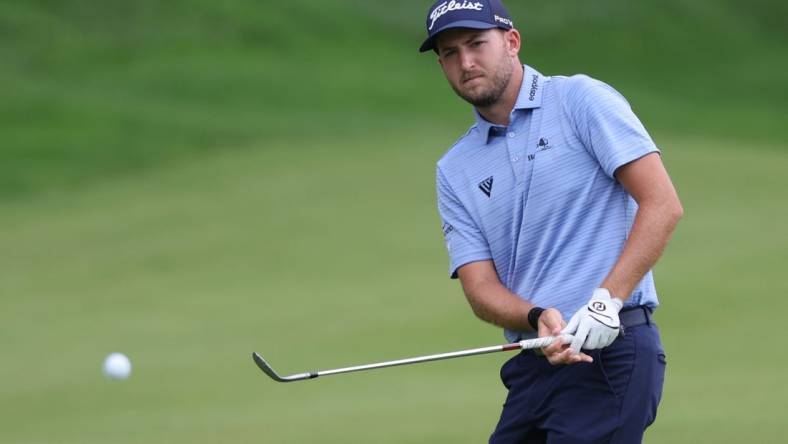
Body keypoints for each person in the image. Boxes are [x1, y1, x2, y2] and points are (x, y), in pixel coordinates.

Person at [419, 1, 684, 443]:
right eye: (449, 53)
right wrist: (537, 315)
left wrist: (606, 302)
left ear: (512, 41)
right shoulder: (454, 168)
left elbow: (661, 203)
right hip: (534, 363)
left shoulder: (580, 100)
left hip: (609, 354)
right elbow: (479, 288)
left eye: (476, 44)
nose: (465, 62)